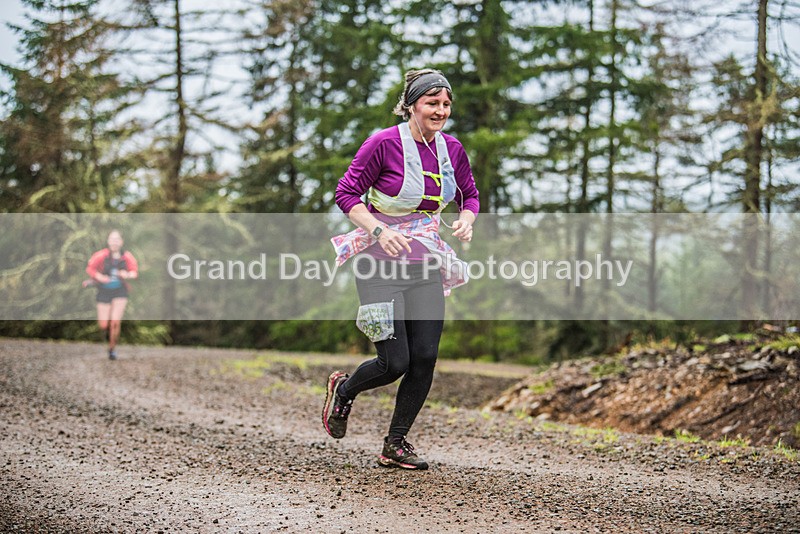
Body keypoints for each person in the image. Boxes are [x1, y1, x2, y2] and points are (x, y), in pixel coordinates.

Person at [323, 69, 479, 470]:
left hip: (425, 263)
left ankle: (396, 443)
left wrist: (467, 219)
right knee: (395, 362)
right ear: (411, 105)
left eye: (446, 104)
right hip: (378, 265)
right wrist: (377, 228)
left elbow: (470, 194)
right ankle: (344, 389)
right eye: (432, 103)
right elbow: (346, 193)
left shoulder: (452, 149)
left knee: (425, 357)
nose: (441, 110)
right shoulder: (383, 142)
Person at [85, 230, 138, 360]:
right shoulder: (101, 255)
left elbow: (134, 272)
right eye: (112, 239)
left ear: (121, 242)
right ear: (108, 241)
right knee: (103, 325)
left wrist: (127, 275)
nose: (114, 242)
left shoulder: (127, 257)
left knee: (115, 321)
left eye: (117, 239)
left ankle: (112, 348)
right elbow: (90, 269)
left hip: (120, 291)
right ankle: (108, 335)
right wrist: (100, 277)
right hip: (103, 291)